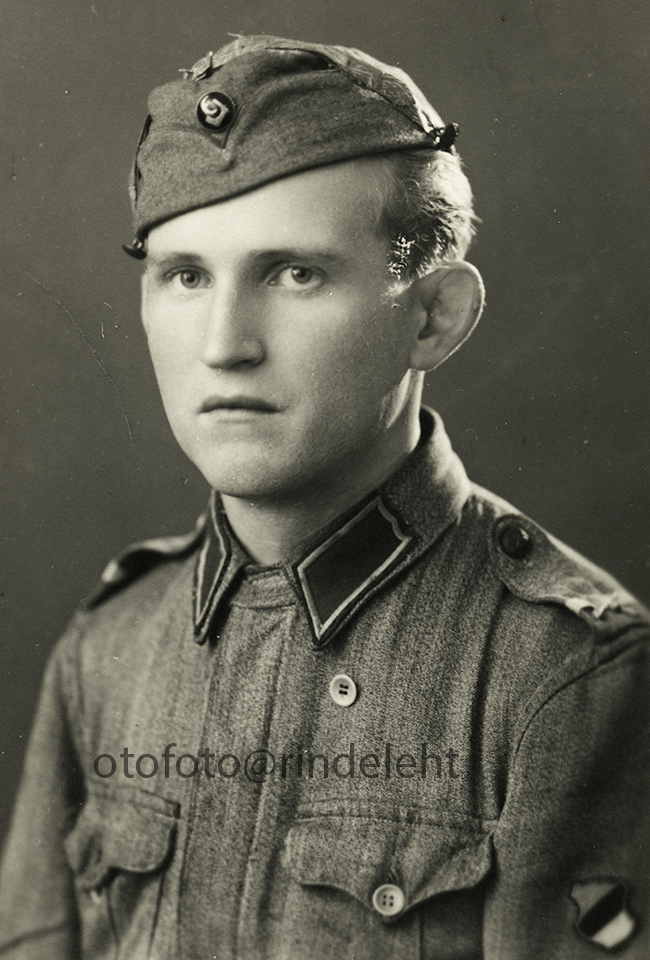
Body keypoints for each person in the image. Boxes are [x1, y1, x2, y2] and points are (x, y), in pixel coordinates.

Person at [0, 33, 648, 960]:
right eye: (186, 276)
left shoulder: (561, 675)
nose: (224, 344)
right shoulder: (110, 645)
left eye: (295, 273)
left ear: (434, 316)